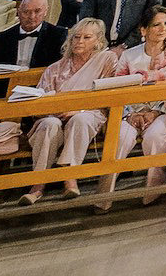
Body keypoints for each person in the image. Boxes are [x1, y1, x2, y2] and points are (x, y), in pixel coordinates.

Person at [15, 19, 119, 202]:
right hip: (55, 115)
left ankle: (70, 178)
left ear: (98, 40)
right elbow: (41, 101)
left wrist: (79, 110)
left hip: (90, 112)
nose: (80, 41)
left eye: (87, 37)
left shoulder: (106, 59)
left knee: (80, 120)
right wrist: (55, 111)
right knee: (49, 124)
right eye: (76, 37)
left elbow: (108, 94)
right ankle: (38, 184)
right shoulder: (55, 68)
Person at [99, 6, 166, 207]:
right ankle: (104, 195)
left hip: (163, 108)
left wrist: (155, 112)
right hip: (131, 109)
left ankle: (153, 188)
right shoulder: (129, 55)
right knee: (120, 137)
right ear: (144, 30)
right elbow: (118, 88)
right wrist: (129, 113)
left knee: (155, 136)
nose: (163, 29)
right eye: (156, 25)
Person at [0, 0, 66, 74]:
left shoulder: (58, 35)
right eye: (26, 12)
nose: (31, 16)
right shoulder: (0, 39)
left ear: (45, 11)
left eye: (37, 11)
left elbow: (61, 70)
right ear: (19, 12)